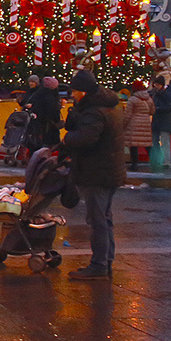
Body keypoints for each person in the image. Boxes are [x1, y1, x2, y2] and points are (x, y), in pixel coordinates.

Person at [60, 69, 126, 280]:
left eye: (75, 91)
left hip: (97, 171)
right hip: (108, 169)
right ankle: (106, 261)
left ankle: (99, 265)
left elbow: (86, 138)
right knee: (104, 218)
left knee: (97, 220)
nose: (73, 94)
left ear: (84, 92)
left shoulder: (95, 112)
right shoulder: (106, 107)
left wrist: (67, 140)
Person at [148, 75, 171, 174]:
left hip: (162, 121)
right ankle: (162, 161)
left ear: (161, 85)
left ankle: (164, 161)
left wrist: (156, 109)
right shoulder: (167, 94)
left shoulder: (162, 95)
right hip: (162, 121)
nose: (155, 87)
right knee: (162, 142)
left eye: (157, 85)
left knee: (162, 142)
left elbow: (168, 107)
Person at [123, 80, 153, 170]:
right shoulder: (149, 98)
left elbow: (128, 115)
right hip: (146, 124)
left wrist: (123, 124)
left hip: (134, 124)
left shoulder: (132, 99)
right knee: (147, 145)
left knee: (134, 145)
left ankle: (134, 165)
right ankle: (155, 162)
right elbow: (152, 111)